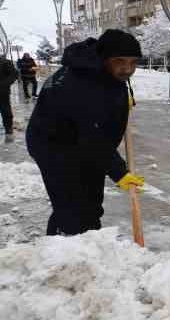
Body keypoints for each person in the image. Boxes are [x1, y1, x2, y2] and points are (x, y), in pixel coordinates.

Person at [26, 30, 145, 235]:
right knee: (74, 210)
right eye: (120, 61)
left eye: (133, 62)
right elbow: (93, 135)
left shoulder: (97, 70)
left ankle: (76, 239)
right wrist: (119, 172)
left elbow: (94, 133)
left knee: (89, 203)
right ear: (104, 58)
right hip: (54, 147)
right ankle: (70, 249)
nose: (127, 69)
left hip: (81, 143)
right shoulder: (81, 82)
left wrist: (117, 101)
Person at [0, 53, 18, 143]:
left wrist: (4, 84)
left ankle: (8, 128)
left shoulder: (5, 62)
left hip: (2, 92)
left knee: (5, 110)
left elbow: (14, 74)